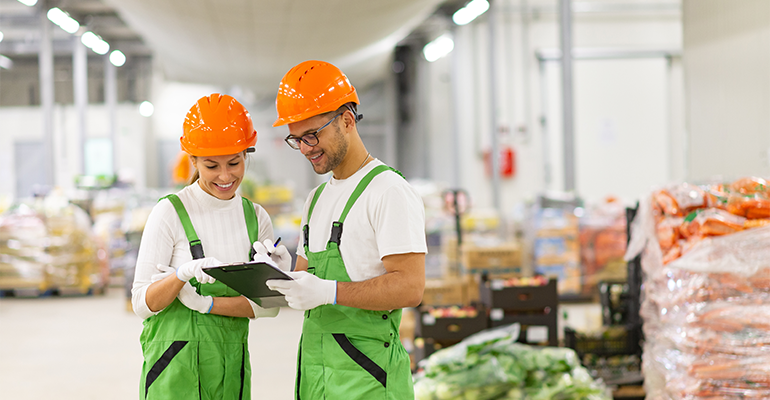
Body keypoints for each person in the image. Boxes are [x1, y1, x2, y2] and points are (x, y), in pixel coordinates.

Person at [263, 60, 427, 399]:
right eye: (297, 139)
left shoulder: (388, 191)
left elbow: (410, 287)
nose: (306, 148)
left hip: (367, 377)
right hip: (316, 374)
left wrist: (330, 292)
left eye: (312, 135)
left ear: (347, 121)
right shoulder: (317, 198)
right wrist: (281, 271)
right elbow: (307, 282)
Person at [131, 93, 289, 399]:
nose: (226, 176)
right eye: (211, 166)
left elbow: (268, 308)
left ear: (247, 154)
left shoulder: (255, 218)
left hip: (231, 367)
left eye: (234, 162)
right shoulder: (171, 212)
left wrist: (208, 305)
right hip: (175, 367)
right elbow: (141, 304)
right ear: (193, 161)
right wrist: (179, 276)